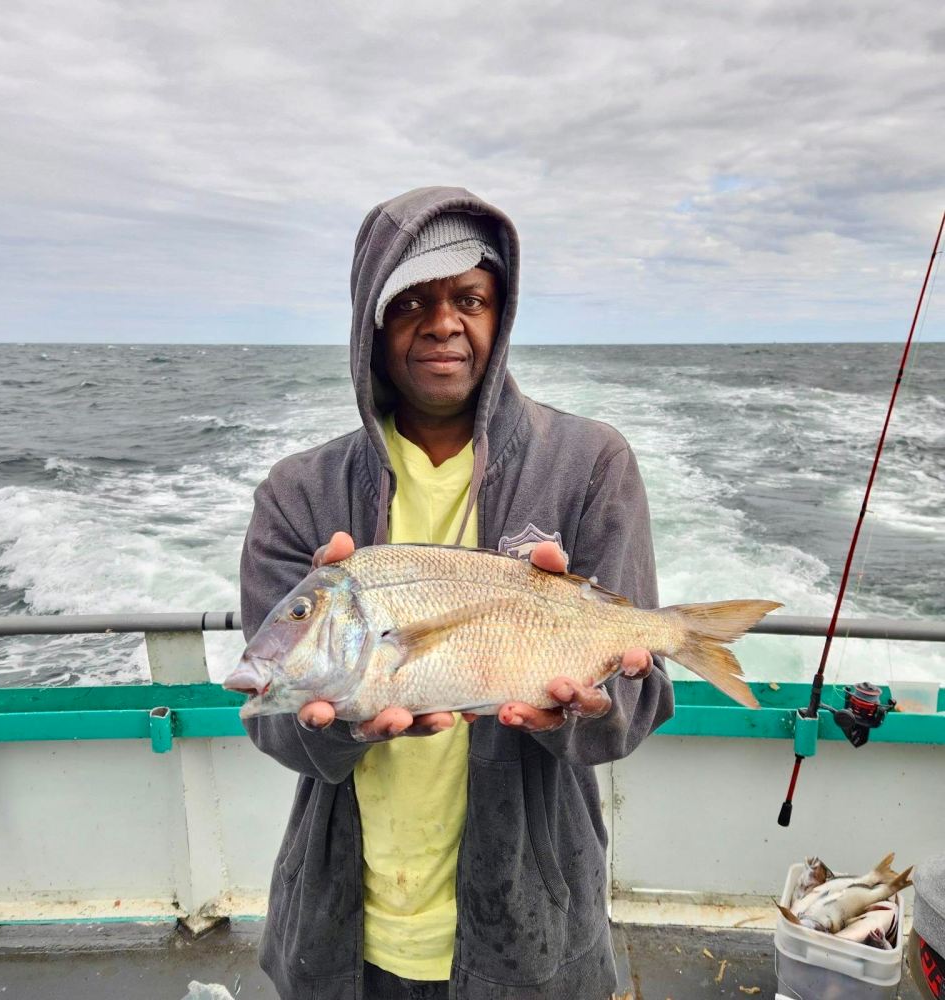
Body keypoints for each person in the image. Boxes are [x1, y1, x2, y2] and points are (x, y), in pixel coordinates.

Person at [239, 185, 675, 1000]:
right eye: (411, 301)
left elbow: (633, 714)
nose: (443, 322)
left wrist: (586, 707)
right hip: (342, 926)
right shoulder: (298, 492)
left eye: (469, 298)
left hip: (534, 922)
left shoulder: (588, 464)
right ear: (371, 321)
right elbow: (277, 726)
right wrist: (345, 730)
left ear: (500, 317)